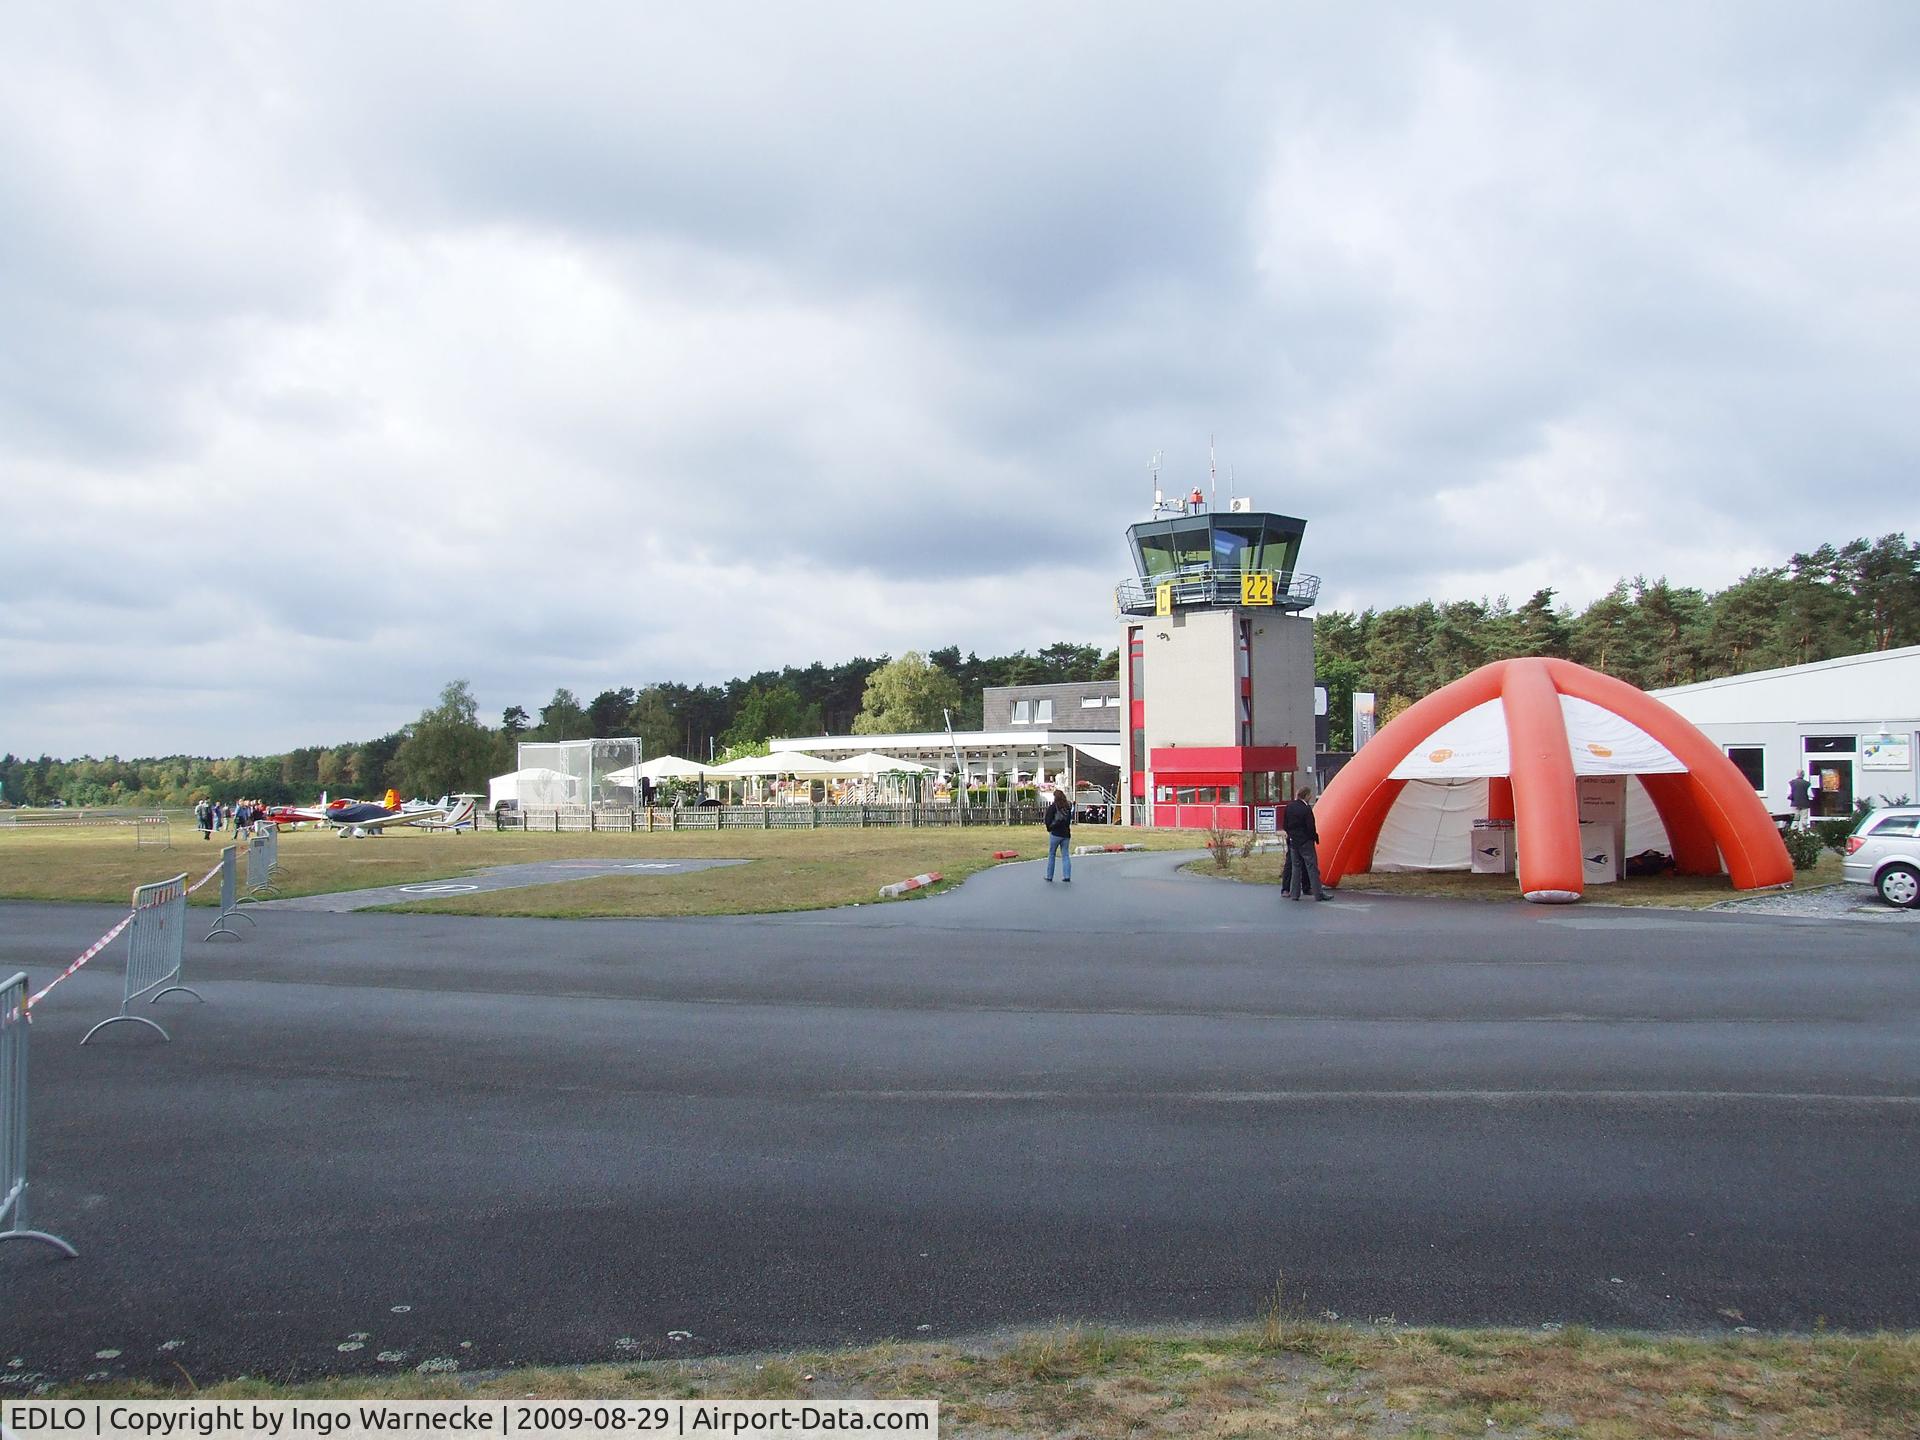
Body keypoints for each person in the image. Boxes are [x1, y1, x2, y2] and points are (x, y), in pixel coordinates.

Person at [1283, 785, 1330, 901]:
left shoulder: (1289, 807)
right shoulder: (1306, 809)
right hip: (1305, 842)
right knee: (1312, 867)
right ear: (1307, 796)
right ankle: (1318, 894)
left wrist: (1291, 835)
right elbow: (1310, 827)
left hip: (1293, 841)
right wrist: (1313, 837)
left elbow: (1285, 825)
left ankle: (1294, 894)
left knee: (1295, 867)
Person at [1043, 789, 1073, 882]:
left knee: (1052, 854)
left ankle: (1049, 876)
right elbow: (1068, 821)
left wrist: (1050, 829)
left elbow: (1047, 820)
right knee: (1065, 855)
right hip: (1066, 834)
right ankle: (1067, 876)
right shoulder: (1067, 807)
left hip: (1055, 834)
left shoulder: (1053, 807)